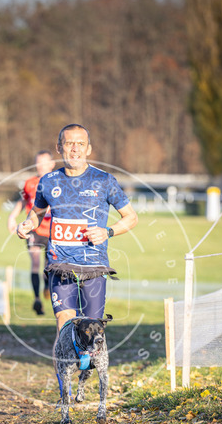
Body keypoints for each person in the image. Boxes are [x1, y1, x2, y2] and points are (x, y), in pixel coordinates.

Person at [17, 123, 138, 332]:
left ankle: (87, 354)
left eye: (80, 144)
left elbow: (131, 217)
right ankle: (65, 355)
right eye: (69, 143)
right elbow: (37, 213)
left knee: (90, 329)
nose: (75, 149)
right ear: (59, 148)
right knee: (64, 322)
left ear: (88, 149)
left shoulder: (104, 180)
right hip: (60, 265)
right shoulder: (48, 181)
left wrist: (107, 232)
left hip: (93, 266)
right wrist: (28, 224)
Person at [8, 150, 55, 315]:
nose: (40, 166)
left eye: (44, 162)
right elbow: (23, 201)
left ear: (52, 164)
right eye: (38, 162)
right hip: (34, 229)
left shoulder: (58, 182)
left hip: (52, 230)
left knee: (49, 265)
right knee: (35, 262)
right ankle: (36, 299)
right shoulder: (30, 183)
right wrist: (12, 217)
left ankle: (47, 287)